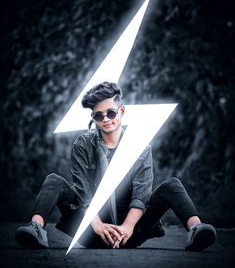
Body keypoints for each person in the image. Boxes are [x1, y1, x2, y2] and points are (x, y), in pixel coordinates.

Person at [16, 81, 216, 251]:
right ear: (93, 118)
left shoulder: (140, 147)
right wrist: (98, 226)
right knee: (54, 180)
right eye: (98, 116)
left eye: (111, 113)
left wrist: (127, 228)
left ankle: (196, 230)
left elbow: (141, 195)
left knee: (171, 185)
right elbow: (83, 193)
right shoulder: (82, 144)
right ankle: (35, 228)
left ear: (121, 111)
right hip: (90, 231)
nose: (105, 120)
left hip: (131, 232)